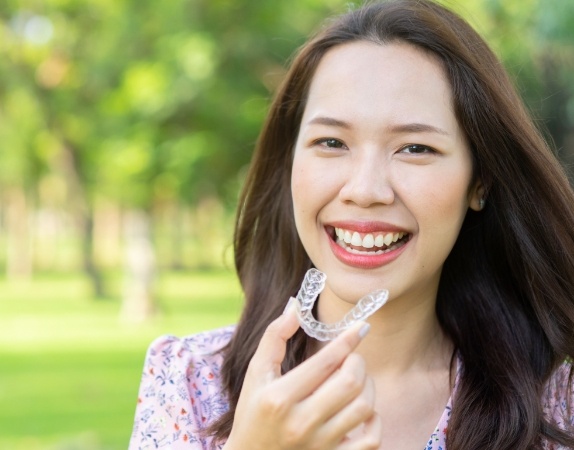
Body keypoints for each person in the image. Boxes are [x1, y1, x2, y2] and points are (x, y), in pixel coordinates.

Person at [128, 0, 574, 448]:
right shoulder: (189, 381)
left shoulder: (554, 402)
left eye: (415, 148)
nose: (364, 189)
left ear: (480, 182)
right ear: (290, 163)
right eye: (331, 142)